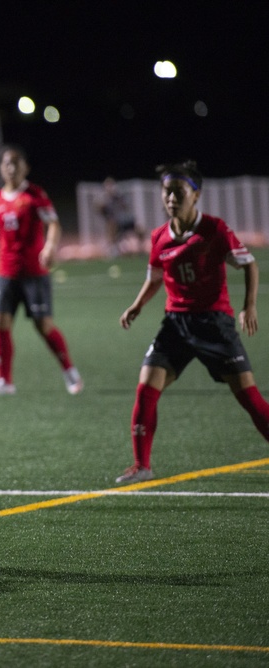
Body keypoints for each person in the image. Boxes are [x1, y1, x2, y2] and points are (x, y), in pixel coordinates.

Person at [117, 160, 269, 483]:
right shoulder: (159, 237)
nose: (171, 198)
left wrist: (249, 306)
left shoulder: (214, 230)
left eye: (178, 192)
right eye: (166, 192)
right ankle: (142, 466)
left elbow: (250, 265)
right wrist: (136, 305)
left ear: (196, 195)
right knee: (146, 387)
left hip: (214, 324)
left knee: (248, 396)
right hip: (175, 325)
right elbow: (155, 277)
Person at [0, 144, 83, 396]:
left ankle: (69, 371)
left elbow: (54, 224)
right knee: (0, 322)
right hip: (6, 273)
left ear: (25, 167)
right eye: (6, 163)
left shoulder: (35, 195)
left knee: (42, 325)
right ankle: (5, 381)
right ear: (1, 168)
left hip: (34, 273)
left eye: (16, 163)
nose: (11, 168)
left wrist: (49, 247)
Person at [97, 177, 145, 257]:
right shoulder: (104, 199)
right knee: (111, 225)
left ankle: (140, 249)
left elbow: (126, 207)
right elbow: (99, 209)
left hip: (124, 221)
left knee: (140, 229)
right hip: (115, 224)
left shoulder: (119, 196)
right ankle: (114, 250)